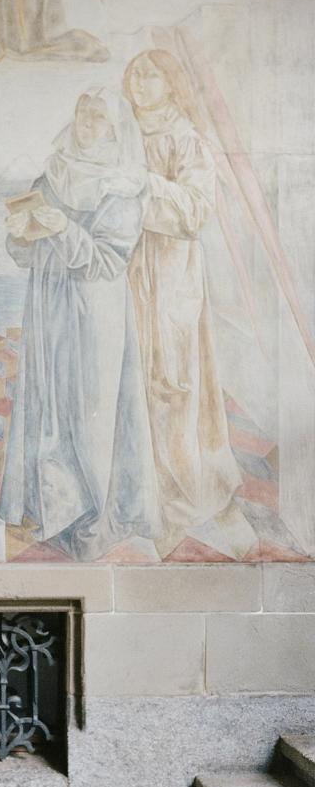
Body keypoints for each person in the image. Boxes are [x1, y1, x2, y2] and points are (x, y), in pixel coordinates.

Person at [0, 89, 159, 558]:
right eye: (82, 115)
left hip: (95, 311)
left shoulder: (123, 185)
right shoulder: (53, 174)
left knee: (92, 410)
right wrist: (22, 235)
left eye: (98, 118)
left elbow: (109, 260)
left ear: (114, 128)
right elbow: (24, 249)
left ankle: (93, 518)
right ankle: (55, 508)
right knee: (51, 404)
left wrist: (61, 229)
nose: (87, 124)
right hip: (49, 306)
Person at [123, 50, 252, 558]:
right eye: (135, 73)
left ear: (172, 84)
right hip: (131, 275)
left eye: (150, 73)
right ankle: (148, 498)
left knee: (174, 385)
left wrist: (141, 186)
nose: (140, 81)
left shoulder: (186, 139)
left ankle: (187, 497)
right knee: (133, 384)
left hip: (172, 275)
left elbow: (196, 210)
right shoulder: (124, 133)